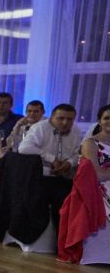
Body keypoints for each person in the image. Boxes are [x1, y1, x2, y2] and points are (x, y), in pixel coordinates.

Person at [58, 104, 110, 263]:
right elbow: (97, 175)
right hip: (97, 188)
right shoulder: (90, 143)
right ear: (99, 121)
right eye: (107, 118)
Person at [19, 103, 82, 231]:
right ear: (51, 117)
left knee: (70, 206)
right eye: (61, 118)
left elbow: (78, 153)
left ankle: (62, 238)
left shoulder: (76, 131)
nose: (65, 123)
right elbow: (24, 148)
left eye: (69, 119)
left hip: (65, 177)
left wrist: (70, 162)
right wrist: (51, 159)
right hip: (41, 177)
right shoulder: (40, 128)